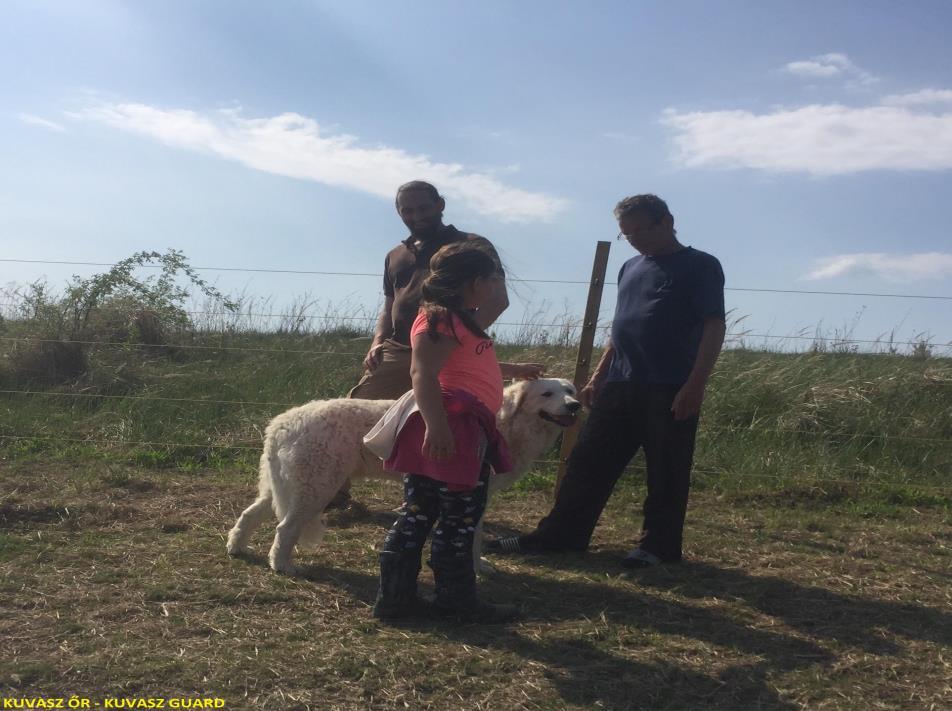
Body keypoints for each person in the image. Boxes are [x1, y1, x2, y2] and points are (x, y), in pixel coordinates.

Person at [487, 194, 726, 569]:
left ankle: (657, 548)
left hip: (671, 384)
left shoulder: (700, 266)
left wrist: (695, 384)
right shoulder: (631, 266)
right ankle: (560, 536)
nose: (634, 240)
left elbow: (714, 325)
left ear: (666, 221)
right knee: (588, 462)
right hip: (619, 382)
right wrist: (599, 374)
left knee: (666, 467)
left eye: (640, 230)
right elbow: (620, 326)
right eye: (626, 234)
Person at [371, 239, 528, 622]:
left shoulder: (455, 318)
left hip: (454, 423)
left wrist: (511, 371)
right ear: (474, 282)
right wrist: (438, 428)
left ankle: (397, 599)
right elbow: (422, 372)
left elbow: (462, 364)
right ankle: (456, 602)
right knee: (459, 515)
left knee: (419, 511)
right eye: (491, 279)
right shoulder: (442, 319)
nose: (495, 287)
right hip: (453, 427)